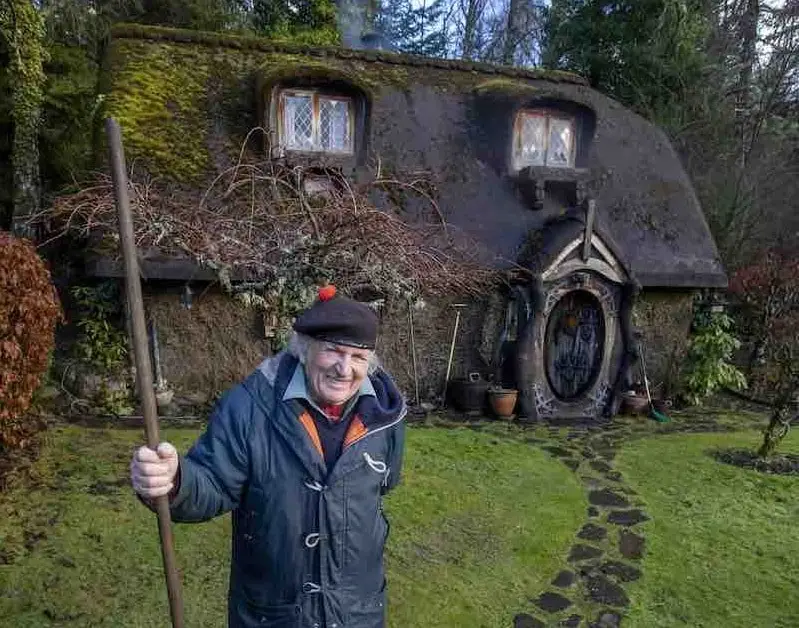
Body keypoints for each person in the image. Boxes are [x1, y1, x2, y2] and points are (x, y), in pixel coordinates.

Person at [130, 286, 407, 628]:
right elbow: (212, 482)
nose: (344, 368)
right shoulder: (249, 408)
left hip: (357, 611)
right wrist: (174, 481)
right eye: (333, 351)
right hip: (273, 613)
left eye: (358, 357)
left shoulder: (385, 417)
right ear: (305, 350)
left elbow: (386, 481)